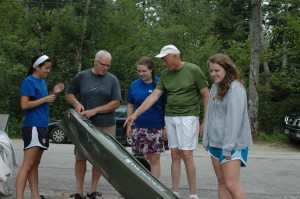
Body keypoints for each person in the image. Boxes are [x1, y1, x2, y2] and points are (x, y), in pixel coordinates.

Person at [124, 45, 210, 199]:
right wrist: (135, 115)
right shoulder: (165, 74)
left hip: (188, 116)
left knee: (187, 154)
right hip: (170, 117)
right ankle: (174, 192)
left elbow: (206, 94)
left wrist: (206, 120)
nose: (163, 63)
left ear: (175, 56)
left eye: (165, 59)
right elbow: (154, 96)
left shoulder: (193, 69)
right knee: (175, 154)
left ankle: (193, 194)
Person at [65, 50, 121, 199]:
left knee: (100, 158)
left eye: (108, 65)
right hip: (85, 125)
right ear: (95, 62)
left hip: (106, 124)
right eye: (103, 64)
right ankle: (79, 191)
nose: (106, 68)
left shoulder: (112, 79)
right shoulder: (82, 76)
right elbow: (69, 93)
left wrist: (95, 110)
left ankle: (93, 190)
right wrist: (76, 103)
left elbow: (115, 103)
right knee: (80, 157)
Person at [202, 53, 253, 199]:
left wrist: (228, 147)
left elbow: (234, 120)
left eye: (217, 70)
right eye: (211, 71)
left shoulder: (236, 88)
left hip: (232, 146)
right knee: (221, 182)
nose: (213, 74)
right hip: (214, 143)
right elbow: (209, 114)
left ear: (227, 69)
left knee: (231, 184)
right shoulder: (214, 87)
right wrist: (206, 139)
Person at [16, 55, 65, 199]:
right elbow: (24, 105)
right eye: (46, 68)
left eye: (50, 68)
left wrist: (53, 93)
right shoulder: (28, 82)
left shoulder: (42, 82)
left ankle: (35, 195)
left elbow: (43, 103)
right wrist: (45, 98)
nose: (48, 71)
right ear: (37, 67)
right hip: (33, 127)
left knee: (35, 164)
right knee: (27, 165)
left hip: (42, 126)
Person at [126, 56, 167, 179]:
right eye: (139, 71)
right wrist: (129, 125)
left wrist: (166, 127)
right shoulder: (134, 85)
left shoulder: (160, 83)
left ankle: (154, 187)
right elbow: (130, 105)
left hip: (156, 126)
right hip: (138, 126)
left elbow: (166, 106)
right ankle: (141, 185)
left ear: (151, 70)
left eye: (144, 71)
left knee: (154, 159)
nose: (141, 74)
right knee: (139, 160)